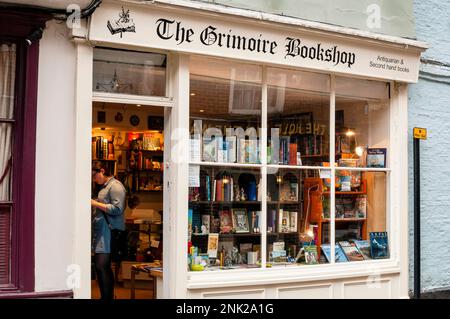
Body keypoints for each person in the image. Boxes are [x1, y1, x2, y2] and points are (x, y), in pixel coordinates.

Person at [91, 162, 126, 300]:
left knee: (101, 266)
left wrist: (94, 203)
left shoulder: (116, 186)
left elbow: (118, 209)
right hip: (101, 233)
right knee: (102, 267)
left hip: (108, 233)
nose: (94, 179)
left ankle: (107, 297)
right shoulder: (103, 187)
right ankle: (107, 296)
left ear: (102, 171)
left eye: (95, 176)